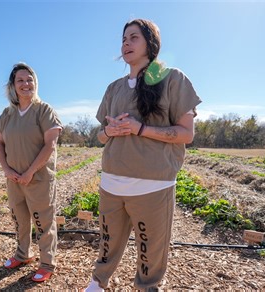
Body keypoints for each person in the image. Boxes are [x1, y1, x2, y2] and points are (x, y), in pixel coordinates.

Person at [84, 19, 202, 291]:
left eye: (134, 37)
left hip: (152, 183)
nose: (126, 43)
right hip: (111, 182)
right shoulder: (113, 88)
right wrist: (109, 132)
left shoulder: (173, 79)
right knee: (107, 240)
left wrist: (141, 129)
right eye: (124, 38)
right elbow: (100, 136)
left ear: (151, 43)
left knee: (150, 248)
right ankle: (98, 283)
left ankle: (146, 287)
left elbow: (186, 134)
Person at [0, 62, 62, 282]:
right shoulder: (7, 114)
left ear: (35, 82)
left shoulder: (44, 111)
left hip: (39, 178)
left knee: (43, 223)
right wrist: (7, 169)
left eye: (29, 79)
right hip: (14, 178)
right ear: (13, 87)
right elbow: (0, 144)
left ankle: (47, 263)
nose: (26, 84)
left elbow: (50, 145)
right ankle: (23, 254)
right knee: (20, 219)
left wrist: (30, 172)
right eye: (20, 80)